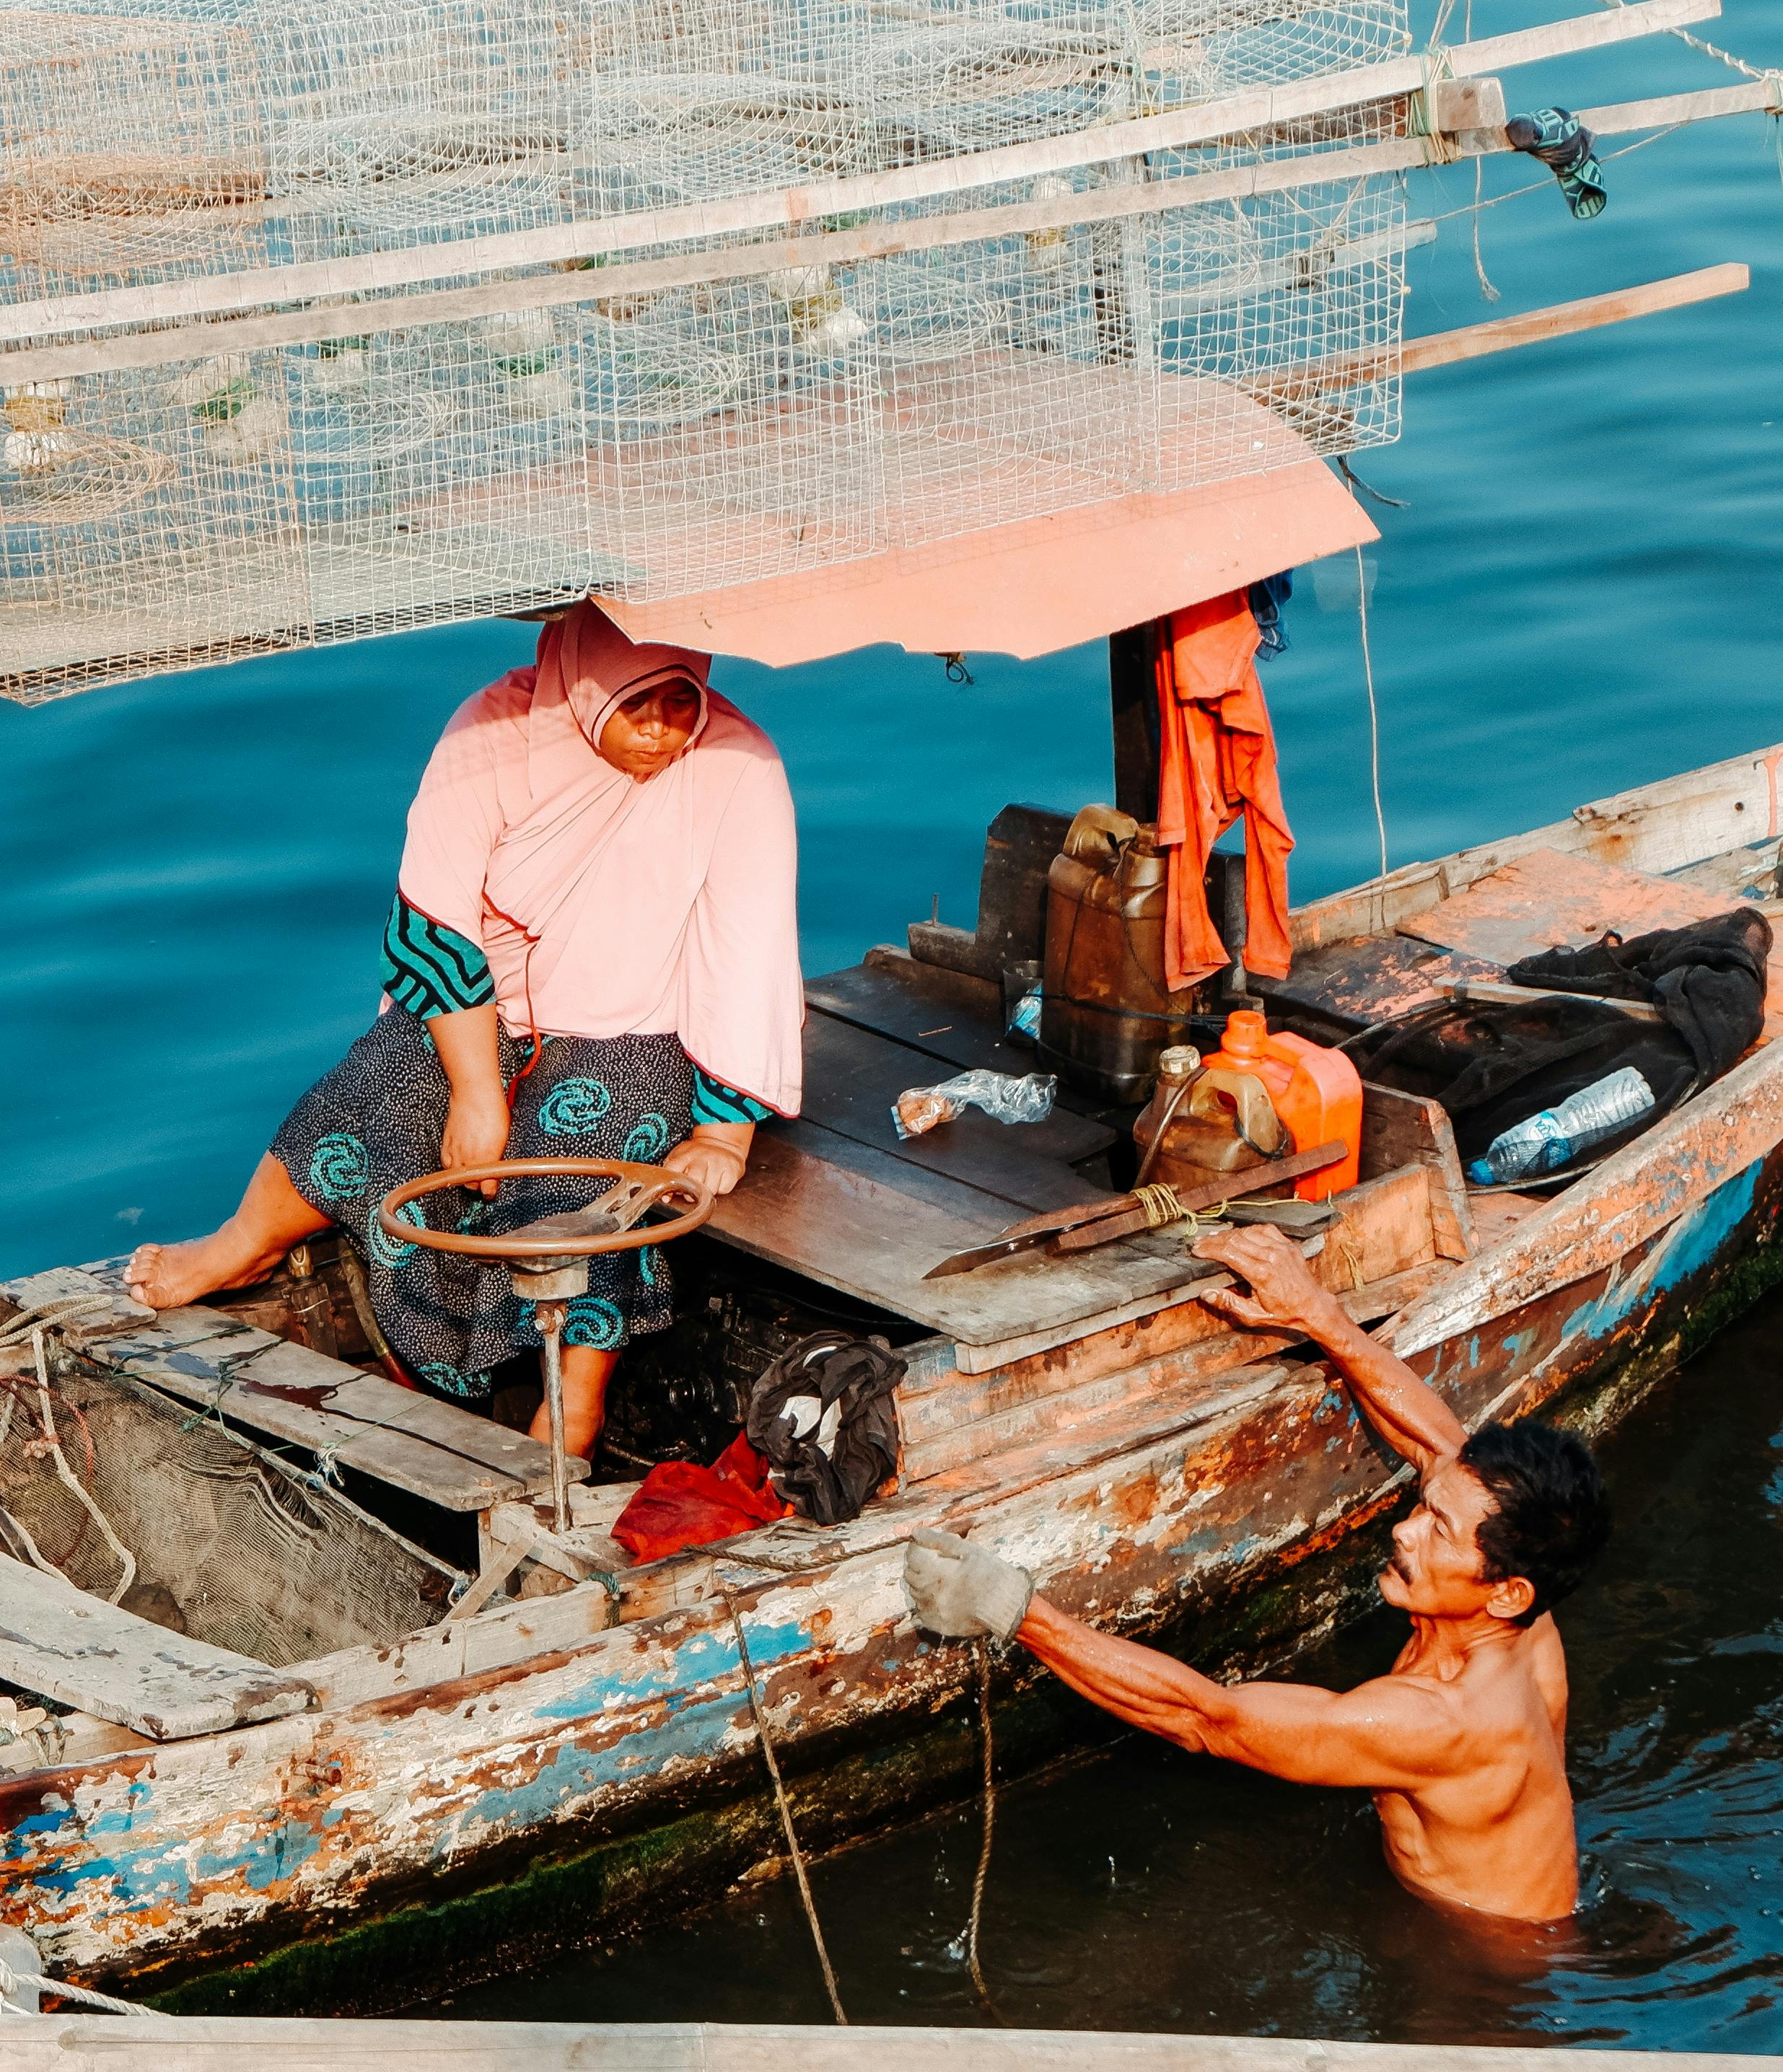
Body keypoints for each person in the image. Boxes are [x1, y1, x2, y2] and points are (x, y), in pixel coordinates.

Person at [126, 604, 805, 1457]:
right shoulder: (494, 729)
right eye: (638, 706)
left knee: (585, 1166)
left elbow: (743, 951)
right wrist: (478, 1088)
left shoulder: (738, 767)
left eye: (680, 703)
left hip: (634, 1020)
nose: (662, 730)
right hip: (485, 1007)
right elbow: (435, 920)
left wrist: (722, 1130)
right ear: (587, 685)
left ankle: (573, 1405)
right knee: (383, 1082)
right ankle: (241, 1244)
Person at [904, 1223, 1611, 1924]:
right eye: (1425, 1509)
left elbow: (1207, 1717)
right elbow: (1439, 1446)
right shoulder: (1526, 1594)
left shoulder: (1438, 1721)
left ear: (1504, 1590)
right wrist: (1316, 1312)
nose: (1403, 1528)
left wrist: (1011, 1607)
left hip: (1485, 1966)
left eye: (1437, 1530)